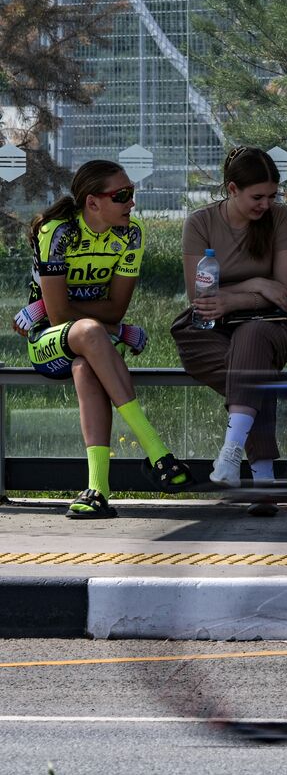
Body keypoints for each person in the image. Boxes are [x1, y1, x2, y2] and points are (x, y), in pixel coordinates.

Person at [15, 160, 192, 518]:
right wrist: (111, 330)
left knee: (86, 367)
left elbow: (116, 308)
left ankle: (97, 489)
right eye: (122, 195)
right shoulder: (58, 231)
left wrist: (109, 324)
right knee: (91, 332)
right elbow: (62, 317)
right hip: (48, 341)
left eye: (132, 194)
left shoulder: (131, 233)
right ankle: (156, 450)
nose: (131, 203)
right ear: (92, 203)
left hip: (93, 345)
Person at [172, 146, 287, 512]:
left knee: (254, 337)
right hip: (208, 330)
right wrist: (259, 285)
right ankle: (263, 480)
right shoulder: (200, 223)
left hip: (267, 326)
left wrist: (235, 299)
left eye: (272, 195)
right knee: (257, 372)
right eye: (257, 196)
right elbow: (200, 294)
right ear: (231, 189)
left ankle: (231, 453)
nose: (266, 204)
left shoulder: (279, 219)